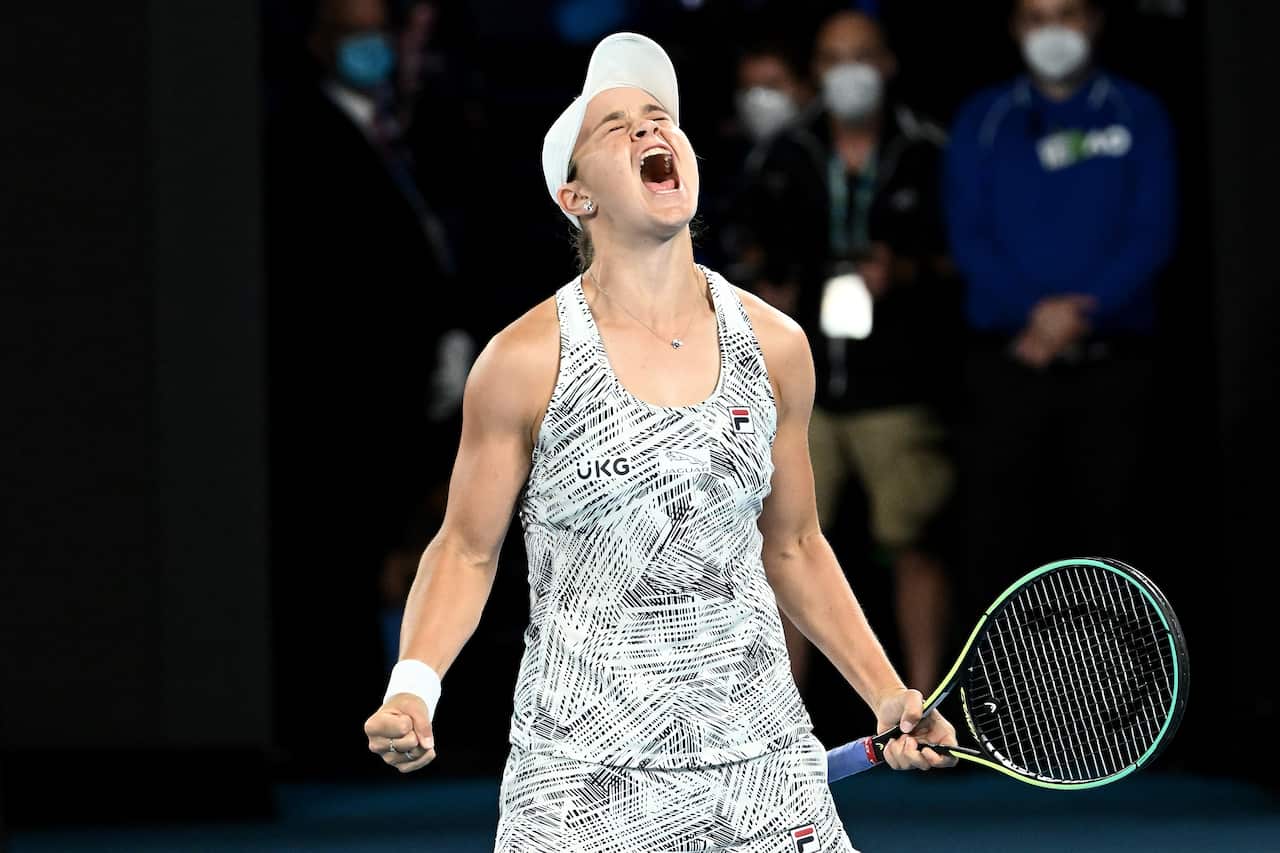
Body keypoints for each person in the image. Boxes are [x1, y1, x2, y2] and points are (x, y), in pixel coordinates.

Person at [362, 32, 956, 852]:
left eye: (659, 118)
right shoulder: (523, 360)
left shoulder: (776, 346)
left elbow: (794, 544)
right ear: (576, 196)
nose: (649, 129)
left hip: (760, 769)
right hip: (578, 781)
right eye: (615, 127)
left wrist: (886, 690)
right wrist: (413, 686)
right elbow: (465, 549)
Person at [734, 10, 961, 693]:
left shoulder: (928, 150)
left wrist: (907, 273)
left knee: (915, 541)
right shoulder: (783, 154)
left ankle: (922, 707)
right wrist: (771, 285)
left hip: (899, 382)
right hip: (801, 389)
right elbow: (742, 253)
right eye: (833, 59)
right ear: (816, 71)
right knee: (786, 550)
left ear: (887, 63)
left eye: (861, 56)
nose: (848, 72)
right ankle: (782, 720)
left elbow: (967, 259)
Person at [944, 0, 1176, 599]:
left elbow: (1152, 231)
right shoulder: (983, 118)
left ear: (1094, 20)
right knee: (1000, 549)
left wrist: (1078, 313)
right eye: (1037, 17)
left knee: (1115, 546)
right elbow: (968, 235)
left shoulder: (1138, 112)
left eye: (1067, 14)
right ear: (1015, 26)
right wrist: (1035, 314)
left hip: (1113, 366)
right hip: (1010, 364)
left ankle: (1119, 662)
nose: (1052, 32)